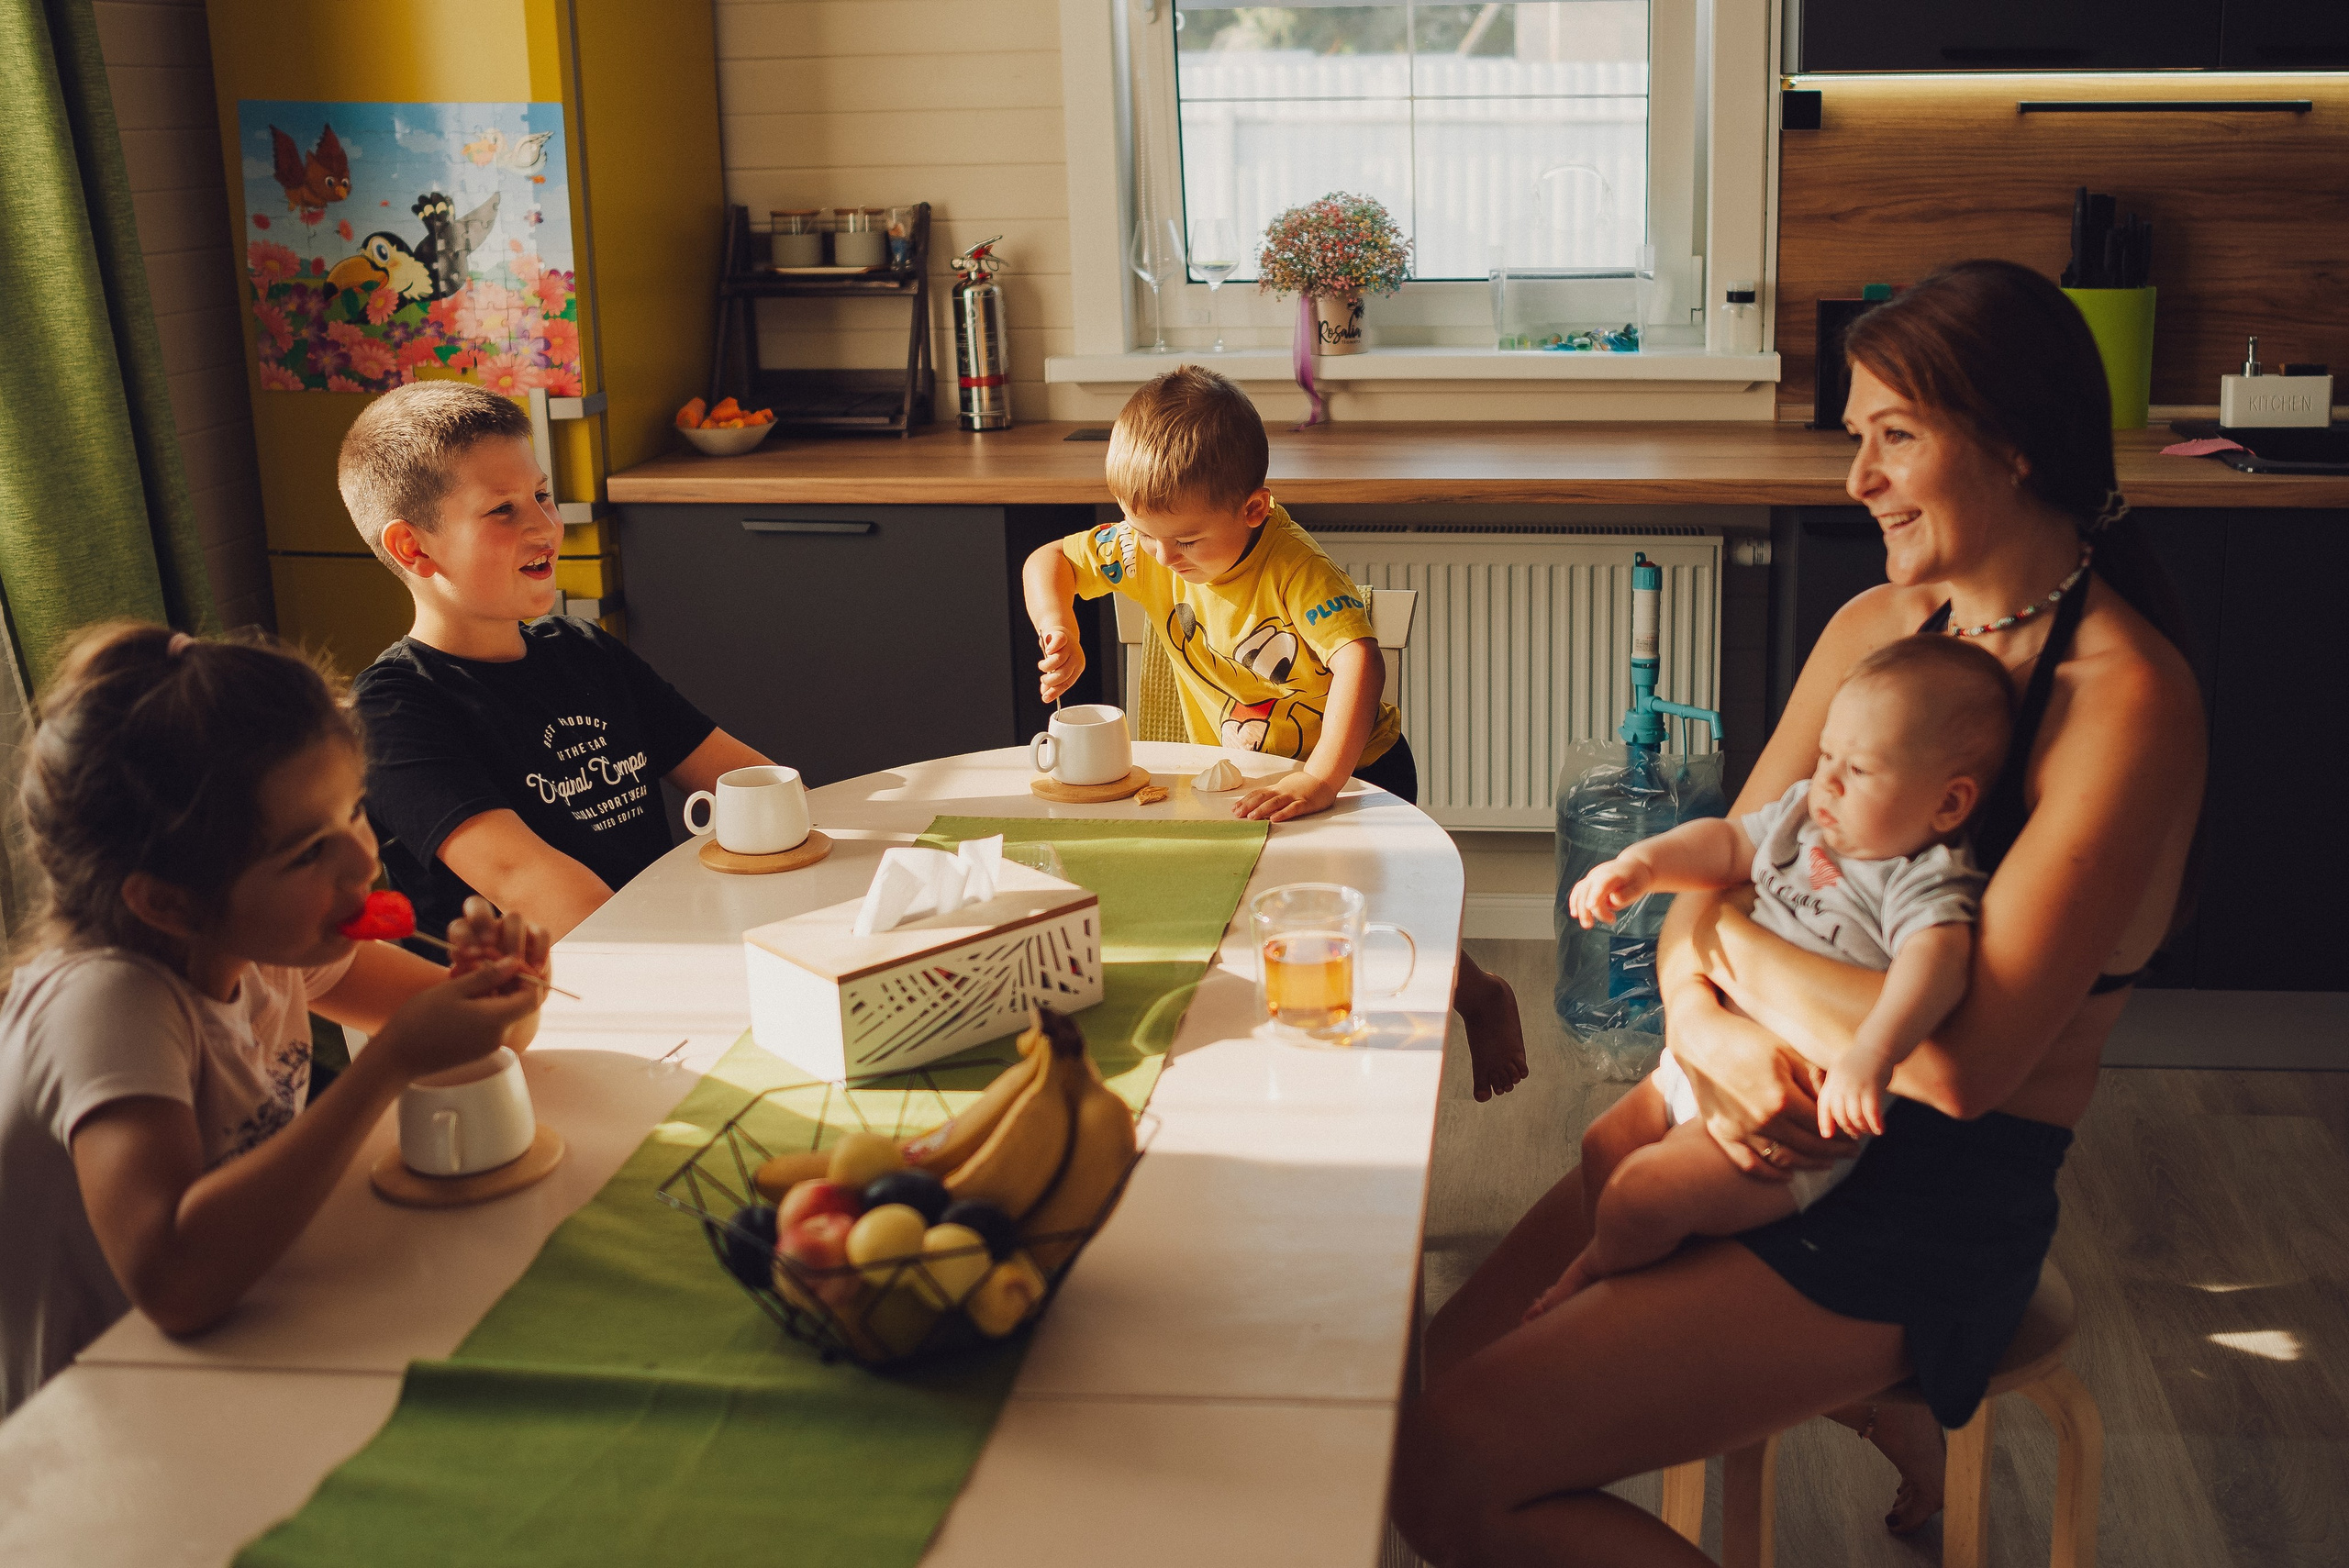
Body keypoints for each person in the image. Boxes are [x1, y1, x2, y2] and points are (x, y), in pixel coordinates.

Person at [1391, 258, 2207, 1566]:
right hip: (1728, 1117)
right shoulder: (1877, 629)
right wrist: (1705, 1029)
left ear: (2013, 446)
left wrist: (1730, 952)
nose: (1856, 478)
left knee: (1445, 1471)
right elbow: (1704, 878)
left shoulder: (2122, 701)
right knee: (1403, 1402)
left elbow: (1952, 1060)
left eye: (1895, 437)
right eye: (1855, 440)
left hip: (1921, 1202)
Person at [0, 626, 551, 1416]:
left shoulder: (269, 944)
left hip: (236, 1356)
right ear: (166, 900)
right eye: (305, 853)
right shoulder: (112, 1003)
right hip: (90, 1430)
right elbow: (175, 1282)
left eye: (356, 812)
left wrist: (502, 988)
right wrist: (388, 1062)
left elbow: (484, 1040)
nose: (363, 863)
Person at [1020, 365, 1528, 1099]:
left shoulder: (1294, 566)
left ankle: (1478, 997)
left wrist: (1322, 777)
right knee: (1246, 916)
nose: (1163, 559)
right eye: (1146, 534)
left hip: (1355, 770)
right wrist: (1059, 626)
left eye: (1188, 541)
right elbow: (1052, 561)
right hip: (1243, 778)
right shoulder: (1153, 543)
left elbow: (1361, 661)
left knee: (1375, 922)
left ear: (1254, 507)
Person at [1531, 635, 2011, 1317]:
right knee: (1602, 1143)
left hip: (1790, 1112)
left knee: (1645, 1194)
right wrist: (1641, 865)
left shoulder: (1920, 877)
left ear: (1948, 804)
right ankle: (1629, 1274)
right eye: (1827, 757)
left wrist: (1871, 1053)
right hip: (1704, 1058)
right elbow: (1726, 845)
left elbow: (1937, 967)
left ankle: (1598, 1282)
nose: (1829, 783)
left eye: (1861, 770)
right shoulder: (1802, 815)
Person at [340, 381, 774, 942]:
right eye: (502, 510)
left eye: (541, 496)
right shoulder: (393, 712)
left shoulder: (581, 649)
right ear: (413, 548)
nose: (544, 527)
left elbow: (752, 785)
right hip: (535, 1012)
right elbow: (537, 890)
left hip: (667, 952)